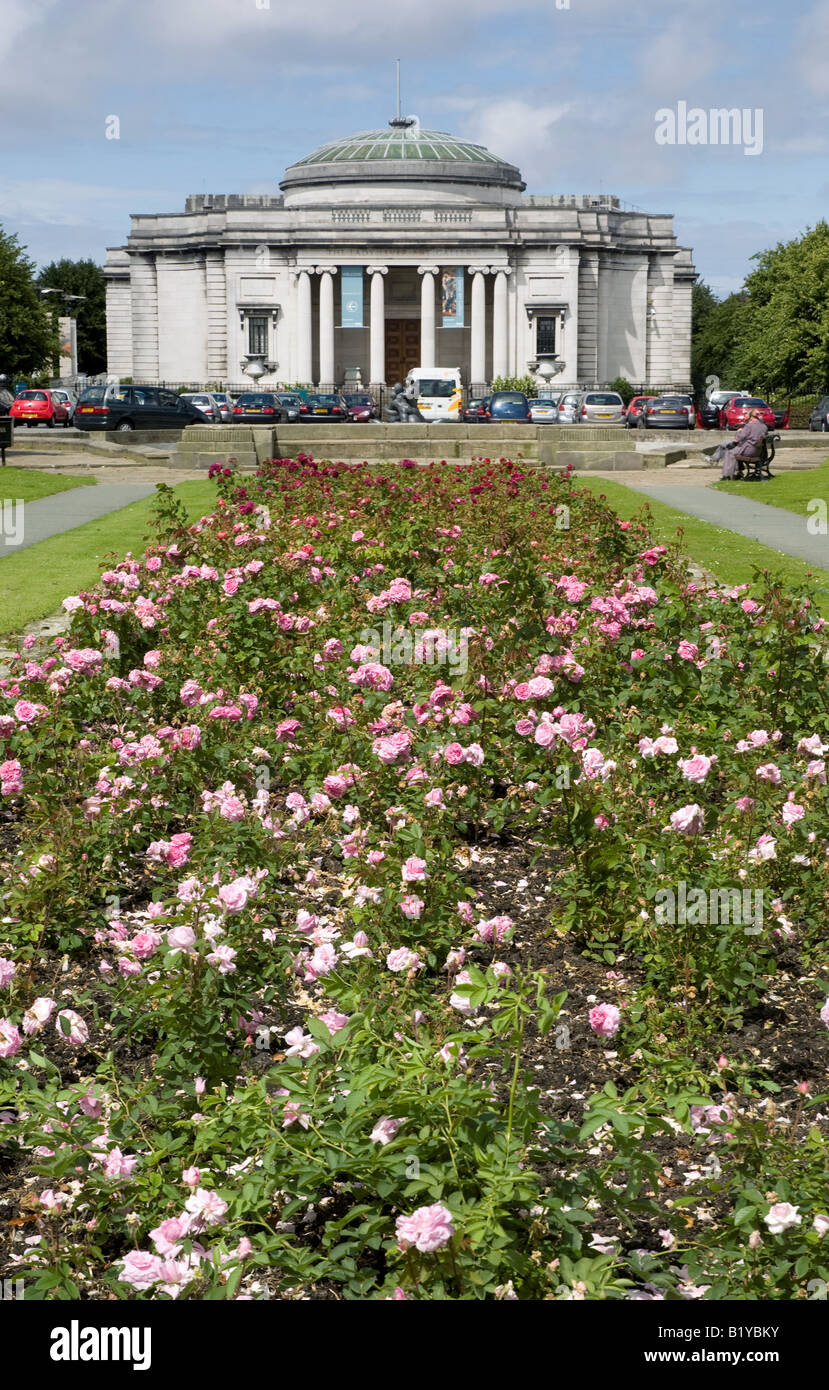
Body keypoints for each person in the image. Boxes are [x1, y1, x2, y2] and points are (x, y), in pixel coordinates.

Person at [711, 409, 768, 479]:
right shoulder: (764, 426)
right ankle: (735, 470)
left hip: (748, 450)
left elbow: (739, 438)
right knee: (726, 444)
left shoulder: (749, 426)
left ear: (751, 416)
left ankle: (727, 475)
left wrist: (739, 431)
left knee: (729, 452)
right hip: (757, 450)